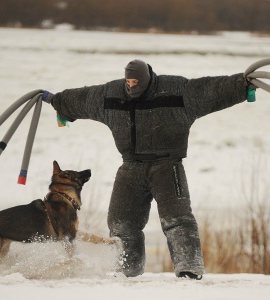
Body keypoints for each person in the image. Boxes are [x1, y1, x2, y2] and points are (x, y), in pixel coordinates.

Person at [42, 59, 250, 279]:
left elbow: (211, 91)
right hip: (131, 167)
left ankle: (189, 270)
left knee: (177, 220)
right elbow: (84, 99)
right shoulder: (112, 95)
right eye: (128, 81)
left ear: (147, 79)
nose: (131, 86)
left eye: (136, 81)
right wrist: (58, 101)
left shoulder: (176, 91)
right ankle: (127, 271)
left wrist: (241, 86)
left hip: (167, 166)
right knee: (121, 223)